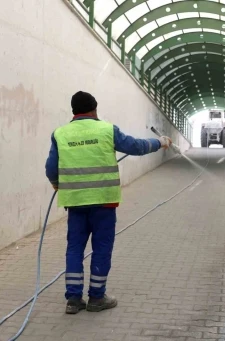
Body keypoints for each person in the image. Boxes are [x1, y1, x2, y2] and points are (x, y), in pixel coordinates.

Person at [45, 91, 172, 314]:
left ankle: (73, 300)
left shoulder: (60, 134)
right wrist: (159, 142)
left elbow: (50, 167)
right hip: (104, 202)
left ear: (73, 111)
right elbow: (136, 146)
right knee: (101, 248)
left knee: (74, 248)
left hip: (75, 203)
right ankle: (96, 297)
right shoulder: (106, 129)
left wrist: (57, 184)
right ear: (94, 109)